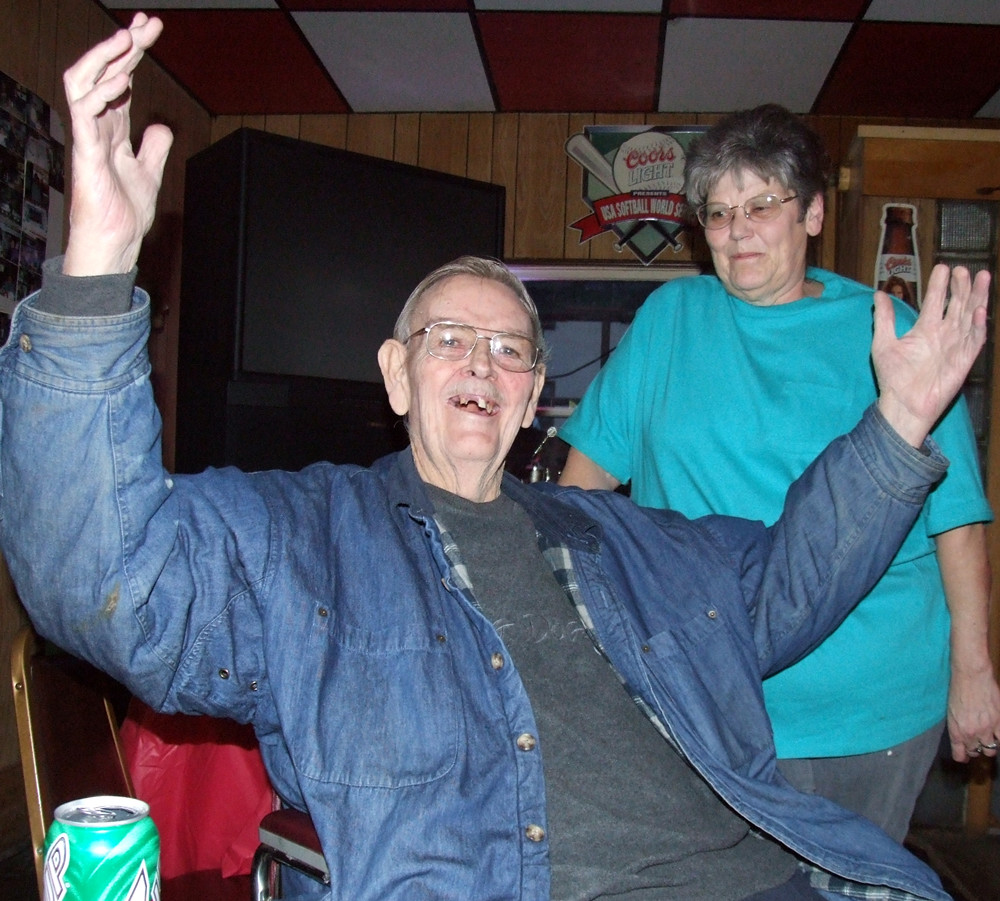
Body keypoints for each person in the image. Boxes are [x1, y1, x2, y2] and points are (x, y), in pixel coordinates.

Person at [0, 17, 990, 901]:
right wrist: (93, 279)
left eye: (511, 347)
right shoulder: (302, 538)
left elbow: (786, 581)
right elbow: (102, 579)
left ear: (531, 396)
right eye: (450, 339)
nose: (483, 361)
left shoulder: (623, 538)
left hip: (769, 869)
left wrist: (897, 421)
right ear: (396, 376)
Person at [558, 104, 1000, 843]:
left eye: (762, 205)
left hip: (866, 712)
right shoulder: (669, 319)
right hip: (699, 699)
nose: (738, 231)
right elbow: (582, 496)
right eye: (719, 212)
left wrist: (975, 667)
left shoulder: (887, 331)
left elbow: (956, 518)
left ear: (814, 212)